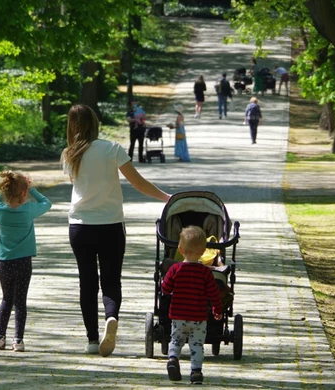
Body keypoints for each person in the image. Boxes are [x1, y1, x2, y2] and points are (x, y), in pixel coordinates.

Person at [61, 104, 171, 357]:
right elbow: (138, 182)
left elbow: (76, 184)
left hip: (79, 227)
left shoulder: (69, 154)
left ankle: (91, 339)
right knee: (110, 280)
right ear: (95, 123)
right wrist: (167, 197)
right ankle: (111, 317)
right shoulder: (112, 149)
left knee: (86, 282)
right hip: (110, 225)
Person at [0, 170, 52, 352]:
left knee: (6, 299)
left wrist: (5, 192)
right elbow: (46, 203)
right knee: (20, 301)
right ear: (24, 192)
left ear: (6, 190)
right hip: (23, 261)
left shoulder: (0, 211)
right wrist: (31, 189)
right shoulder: (28, 210)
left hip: (4, 261)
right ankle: (18, 340)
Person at [161, 226, 223, 385]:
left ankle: (173, 359)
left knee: (176, 340)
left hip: (178, 316)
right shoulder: (205, 273)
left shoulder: (175, 269)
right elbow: (213, 294)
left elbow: (165, 288)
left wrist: (170, 290)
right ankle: (196, 372)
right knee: (196, 345)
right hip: (198, 318)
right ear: (203, 251)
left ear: (180, 249)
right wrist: (217, 309)